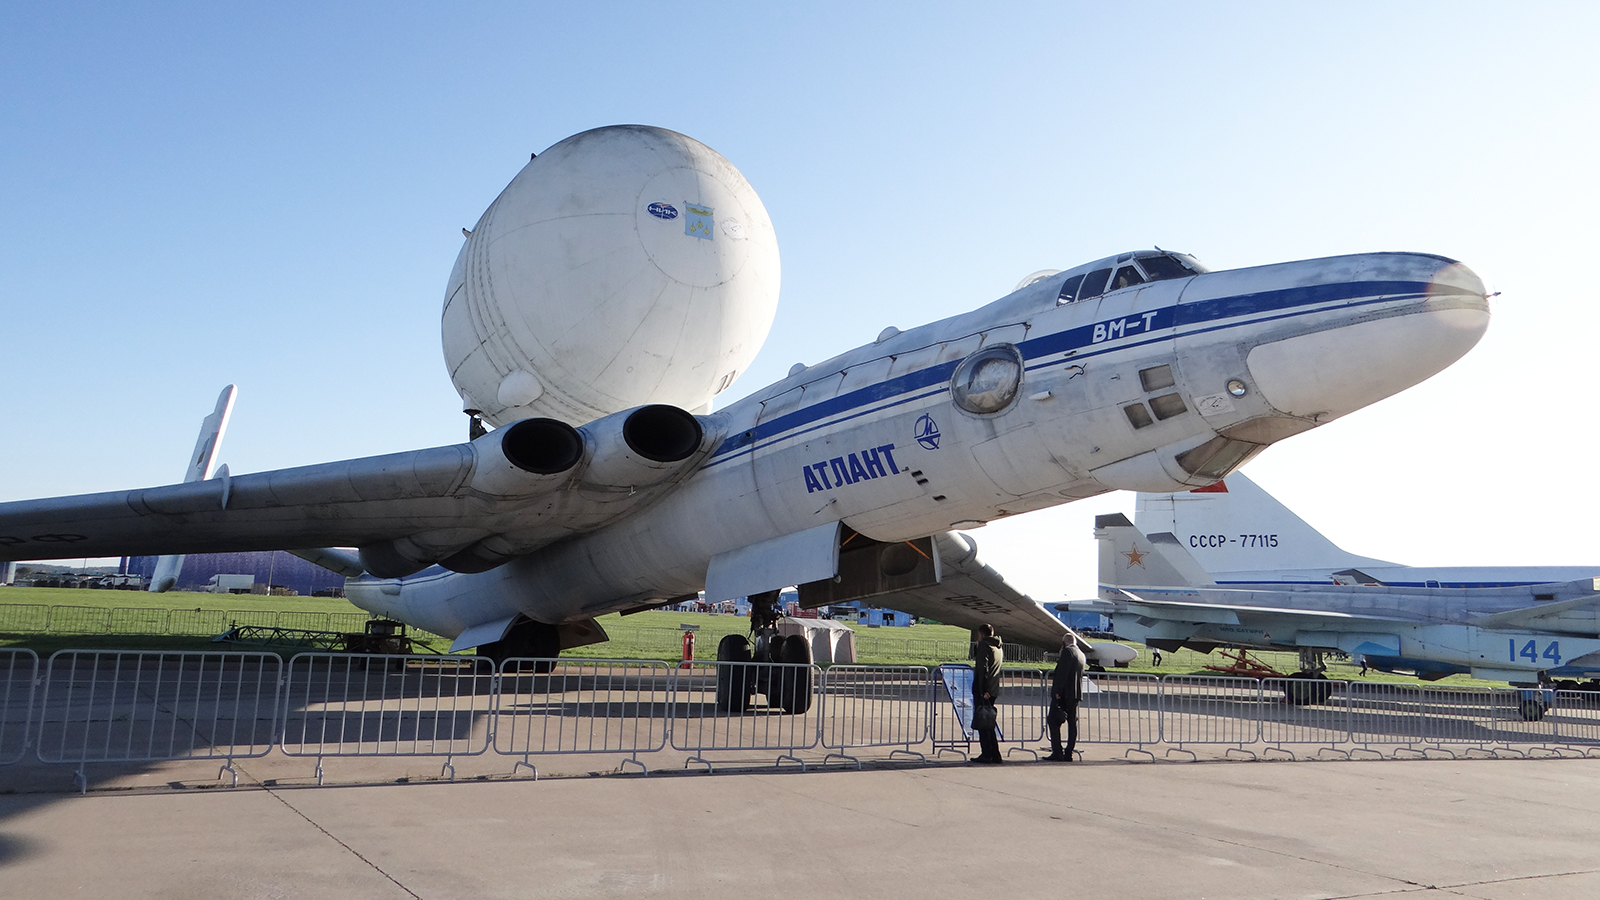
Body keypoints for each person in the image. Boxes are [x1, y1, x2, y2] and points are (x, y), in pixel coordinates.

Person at [1047, 631, 1087, 762]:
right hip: (1075, 694)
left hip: (1064, 693)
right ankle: (1069, 752)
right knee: (1072, 723)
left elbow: (1062, 674)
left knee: (1053, 720)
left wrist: (1057, 691)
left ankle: (1057, 751)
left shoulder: (1067, 653)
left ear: (1064, 643)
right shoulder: (1081, 654)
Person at [971, 623, 1004, 764]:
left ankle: (986, 753)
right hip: (993, 688)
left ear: (981, 634)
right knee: (989, 723)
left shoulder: (984, 646)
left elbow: (982, 668)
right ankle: (994, 753)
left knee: (983, 723)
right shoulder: (997, 647)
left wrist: (983, 689)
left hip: (984, 689)